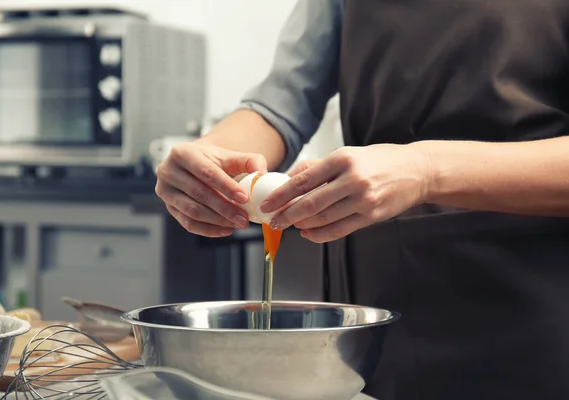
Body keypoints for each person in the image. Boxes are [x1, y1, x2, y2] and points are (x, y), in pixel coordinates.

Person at [154, 1, 569, 399]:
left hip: (530, 317)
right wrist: (208, 163)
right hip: (376, 318)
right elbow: (282, 99)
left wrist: (426, 169)